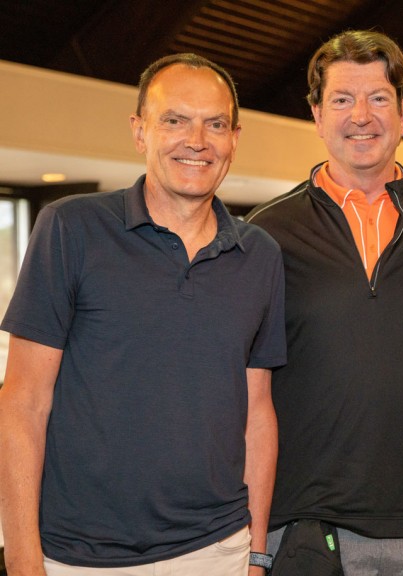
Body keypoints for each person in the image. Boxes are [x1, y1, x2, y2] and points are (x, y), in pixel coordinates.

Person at [0, 53, 286, 576]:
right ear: (140, 131)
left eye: (215, 123)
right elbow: (22, 403)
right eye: (174, 119)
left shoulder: (260, 254)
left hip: (218, 549)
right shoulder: (70, 228)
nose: (196, 139)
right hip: (79, 557)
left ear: (234, 138)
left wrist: (256, 553)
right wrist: (21, 559)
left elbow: (257, 412)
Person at [247, 30, 403, 575]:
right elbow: (245, 394)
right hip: (305, 524)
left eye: (378, 98)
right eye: (342, 99)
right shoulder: (265, 234)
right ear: (316, 114)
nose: (361, 115)